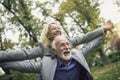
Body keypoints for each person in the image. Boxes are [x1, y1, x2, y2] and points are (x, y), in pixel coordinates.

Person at [0, 35, 105, 80]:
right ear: (54, 50)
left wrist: (103, 32)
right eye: (62, 45)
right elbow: (22, 66)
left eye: (68, 44)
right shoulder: (45, 65)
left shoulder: (77, 54)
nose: (67, 47)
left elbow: (91, 45)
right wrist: (2, 63)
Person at [0, 21, 114, 61]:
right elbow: (24, 54)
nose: (58, 29)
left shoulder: (68, 41)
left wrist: (103, 29)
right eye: (53, 28)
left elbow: (86, 37)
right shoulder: (43, 48)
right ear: (47, 34)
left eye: (59, 27)